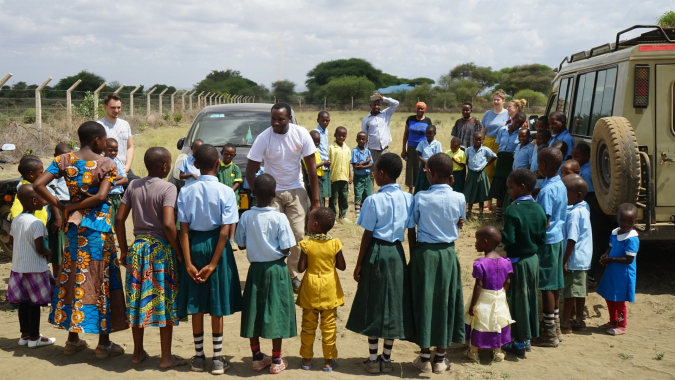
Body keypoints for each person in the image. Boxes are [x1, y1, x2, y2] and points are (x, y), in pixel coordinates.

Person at [34, 121, 127, 358]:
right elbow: (102, 196)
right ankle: (103, 345)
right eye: (105, 139)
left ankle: (72, 341)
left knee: (75, 277)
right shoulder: (107, 163)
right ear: (97, 140)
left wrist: (63, 207)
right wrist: (71, 206)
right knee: (100, 280)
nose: (106, 143)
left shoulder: (64, 160)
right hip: (98, 230)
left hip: (74, 230)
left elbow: (38, 184)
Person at [115, 147, 187, 369]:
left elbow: (119, 219)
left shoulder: (133, 185)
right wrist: (177, 250)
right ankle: (166, 357)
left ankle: (137, 353)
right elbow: (168, 223)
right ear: (165, 167)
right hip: (160, 252)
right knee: (164, 302)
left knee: (137, 301)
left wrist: (124, 250)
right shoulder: (168, 188)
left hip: (138, 249)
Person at [177, 144, 242, 374]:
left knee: (196, 302)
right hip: (218, 247)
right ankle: (217, 359)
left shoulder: (185, 191)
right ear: (218, 164)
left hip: (194, 246)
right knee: (216, 304)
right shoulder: (226, 192)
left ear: (195, 165)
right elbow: (225, 232)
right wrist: (214, 264)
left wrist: (188, 263)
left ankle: (197, 358)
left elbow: (183, 230)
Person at [346, 153, 414, 374]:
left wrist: (358, 264)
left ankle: (373, 360)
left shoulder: (373, 200)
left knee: (374, 303)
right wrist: (410, 260)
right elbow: (411, 232)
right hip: (397, 253)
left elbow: (367, 234)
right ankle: (387, 359)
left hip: (376, 252)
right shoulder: (408, 198)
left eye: (375, 171)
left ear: (381, 174)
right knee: (394, 304)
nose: (374, 175)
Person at [246, 102, 319, 292]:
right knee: (272, 235)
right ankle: (275, 274)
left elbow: (312, 170)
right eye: (273, 119)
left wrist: (316, 202)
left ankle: (292, 274)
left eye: (280, 119)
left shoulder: (301, 134)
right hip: (273, 194)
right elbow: (249, 172)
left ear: (290, 119)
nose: (276, 123)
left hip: (296, 190)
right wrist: (260, 196)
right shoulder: (264, 138)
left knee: (297, 235)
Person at [408, 153, 465, 374]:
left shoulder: (420, 197)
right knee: (446, 302)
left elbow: (411, 228)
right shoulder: (459, 197)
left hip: (424, 254)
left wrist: (414, 255)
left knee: (424, 301)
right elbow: (459, 223)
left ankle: (424, 358)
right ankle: (440, 359)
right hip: (448, 254)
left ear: (431, 173)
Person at [235, 174, 297, 374]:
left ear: (252, 193)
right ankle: (277, 360)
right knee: (276, 312)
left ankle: (257, 358)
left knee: (254, 311)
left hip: (256, 270)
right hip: (277, 269)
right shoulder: (279, 217)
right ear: (274, 194)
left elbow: (241, 244)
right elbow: (287, 247)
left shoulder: (245, 216)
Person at [500, 169, 547, 358]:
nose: (509, 192)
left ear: (522, 187)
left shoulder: (513, 210)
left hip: (517, 263)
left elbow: (509, 240)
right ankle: (527, 339)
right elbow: (542, 238)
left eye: (510, 188)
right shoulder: (539, 209)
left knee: (517, 301)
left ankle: (518, 343)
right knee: (529, 299)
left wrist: (498, 235)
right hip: (533, 261)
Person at [7, 184, 56, 348]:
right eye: (43, 196)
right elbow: (40, 248)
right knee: (34, 304)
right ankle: (35, 338)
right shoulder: (36, 223)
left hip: (18, 268)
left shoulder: (16, 220)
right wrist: (49, 252)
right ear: (35, 201)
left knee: (23, 303)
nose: (45, 199)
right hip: (35, 269)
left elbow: (12, 241)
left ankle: (25, 335)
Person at [296, 207, 346, 372]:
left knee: (308, 325)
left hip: (310, 288)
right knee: (329, 326)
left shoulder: (307, 244)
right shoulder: (334, 243)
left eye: (309, 220)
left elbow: (301, 268)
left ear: (315, 225)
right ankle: (328, 361)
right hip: (329, 288)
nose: (307, 222)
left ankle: (306, 360)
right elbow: (342, 266)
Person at [533, 147, 567, 347]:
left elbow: (543, 222)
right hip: (558, 239)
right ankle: (555, 325)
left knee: (545, 285)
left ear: (543, 165)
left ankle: (548, 334)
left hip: (546, 241)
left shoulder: (546, 190)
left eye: (538, 163)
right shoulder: (560, 184)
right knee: (554, 284)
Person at [465, 226, 513, 363]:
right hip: (499, 297)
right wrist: (501, 294)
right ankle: (498, 352)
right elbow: (508, 281)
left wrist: (473, 304)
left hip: (484, 299)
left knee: (479, 323)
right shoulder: (506, 262)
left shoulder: (480, 264)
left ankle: (474, 352)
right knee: (497, 322)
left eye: (476, 240)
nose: (475, 243)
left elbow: (479, 285)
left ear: (484, 243)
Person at [596, 203, 640, 336]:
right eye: (623, 221)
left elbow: (629, 260)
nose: (626, 224)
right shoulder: (615, 232)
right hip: (613, 272)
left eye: (630, 222)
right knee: (610, 297)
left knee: (619, 300)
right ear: (617, 219)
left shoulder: (632, 238)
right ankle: (613, 321)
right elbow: (610, 247)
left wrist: (610, 259)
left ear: (635, 221)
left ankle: (622, 324)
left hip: (623, 274)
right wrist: (606, 254)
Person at [560, 175, 592, 334]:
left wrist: (564, 261)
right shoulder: (585, 206)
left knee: (570, 293)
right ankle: (579, 319)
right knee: (580, 292)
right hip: (583, 259)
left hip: (573, 259)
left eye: (565, 194)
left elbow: (572, 240)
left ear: (577, 195)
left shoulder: (574, 214)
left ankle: (565, 323)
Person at [489, 112, 525, 221]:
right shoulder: (502, 130)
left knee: (509, 187)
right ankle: (498, 215)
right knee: (499, 187)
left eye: (521, 123)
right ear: (512, 119)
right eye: (517, 121)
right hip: (501, 160)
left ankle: (507, 214)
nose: (518, 124)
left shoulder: (521, 133)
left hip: (511, 160)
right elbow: (499, 144)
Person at [98, 93, 138, 181]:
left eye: (119, 107)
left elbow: (130, 147)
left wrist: (127, 167)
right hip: (106, 171)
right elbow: (97, 152)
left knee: (138, 185)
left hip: (124, 169)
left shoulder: (125, 124)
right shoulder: (99, 126)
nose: (116, 110)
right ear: (105, 107)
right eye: (113, 107)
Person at [47, 143, 71, 275]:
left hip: (71, 206)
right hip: (59, 207)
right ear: (55, 156)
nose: (66, 158)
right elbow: (52, 194)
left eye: (69, 155)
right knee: (57, 245)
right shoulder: (55, 170)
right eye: (62, 155)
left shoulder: (72, 168)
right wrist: (57, 217)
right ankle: (57, 276)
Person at [463, 132, 497, 218]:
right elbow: (466, 159)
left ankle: (481, 212)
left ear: (483, 140)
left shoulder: (485, 150)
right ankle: (469, 211)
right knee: (470, 192)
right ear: (472, 139)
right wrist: (469, 166)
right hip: (471, 173)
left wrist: (487, 164)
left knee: (481, 192)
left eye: (480, 139)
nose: (478, 141)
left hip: (481, 173)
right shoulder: (469, 150)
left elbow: (494, 156)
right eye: (476, 139)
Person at [401, 102, 432, 192]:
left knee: (421, 167)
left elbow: (430, 134)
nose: (420, 110)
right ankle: (410, 188)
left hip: (423, 147)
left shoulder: (427, 120)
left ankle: (420, 187)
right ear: (415, 109)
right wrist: (404, 149)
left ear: (425, 110)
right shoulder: (410, 119)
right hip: (411, 146)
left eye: (422, 108)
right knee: (410, 167)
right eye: (418, 108)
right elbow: (405, 134)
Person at [217, 143, 243, 249]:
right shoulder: (217, 167)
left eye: (231, 155)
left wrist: (230, 191)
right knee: (220, 216)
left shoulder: (235, 168)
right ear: (222, 153)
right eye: (226, 154)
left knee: (233, 218)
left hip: (232, 197)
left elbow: (237, 182)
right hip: (219, 197)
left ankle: (232, 240)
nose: (228, 156)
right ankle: (221, 238)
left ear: (234, 156)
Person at [481, 90, 510, 185]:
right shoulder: (487, 113)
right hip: (488, 143)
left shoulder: (508, 113)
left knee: (499, 170)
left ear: (503, 101)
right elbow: (483, 129)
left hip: (501, 144)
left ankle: (498, 196)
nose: (496, 102)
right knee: (488, 169)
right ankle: (488, 197)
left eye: (498, 100)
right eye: (494, 100)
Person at [361, 93, 399, 163]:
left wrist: (382, 98)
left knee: (386, 171)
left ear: (380, 106)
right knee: (374, 172)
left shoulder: (386, 114)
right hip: (373, 151)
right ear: (370, 106)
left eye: (378, 105)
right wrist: (363, 152)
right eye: (374, 105)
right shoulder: (365, 120)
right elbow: (364, 137)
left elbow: (396, 103)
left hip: (385, 150)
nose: (376, 107)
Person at [328, 126, 352, 221]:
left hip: (344, 177)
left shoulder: (347, 149)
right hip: (334, 177)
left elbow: (348, 163)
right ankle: (332, 216)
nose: (341, 137)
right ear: (335, 135)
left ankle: (343, 216)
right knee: (333, 198)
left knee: (344, 197)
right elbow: (328, 164)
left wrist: (350, 176)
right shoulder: (331, 148)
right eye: (339, 135)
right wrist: (329, 176)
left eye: (344, 135)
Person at [104, 138, 128, 230]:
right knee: (109, 221)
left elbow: (125, 179)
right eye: (110, 150)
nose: (113, 153)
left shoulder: (117, 163)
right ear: (104, 149)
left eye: (116, 150)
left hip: (117, 197)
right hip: (107, 197)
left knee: (118, 220)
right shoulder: (102, 162)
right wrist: (116, 177)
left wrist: (112, 183)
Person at [414, 125, 442, 194]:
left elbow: (438, 156)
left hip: (433, 166)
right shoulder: (422, 143)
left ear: (435, 133)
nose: (428, 135)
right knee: (422, 181)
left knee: (431, 181)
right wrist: (426, 162)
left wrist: (430, 163)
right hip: (424, 165)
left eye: (430, 133)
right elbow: (418, 156)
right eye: (427, 133)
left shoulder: (437, 144)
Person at [351, 131, 373, 218]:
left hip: (366, 177)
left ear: (366, 141)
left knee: (367, 194)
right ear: (356, 140)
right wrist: (366, 162)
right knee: (358, 194)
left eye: (363, 139)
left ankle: (363, 213)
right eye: (359, 139)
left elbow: (371, 164)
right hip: (358, 177)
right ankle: (357, 214)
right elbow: (356, 166)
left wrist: (362, 164)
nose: (361, 141)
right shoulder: (354, 151)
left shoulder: (368, 151)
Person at [314, 111, 332, 206]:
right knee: (320, 192)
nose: (325, 122)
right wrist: (323, 162)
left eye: (327, 120)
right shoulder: (315, 133)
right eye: (323, 120)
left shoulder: (326, 131)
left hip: (326, 166)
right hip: (320, 166)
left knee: (325, 193)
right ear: (318, 120)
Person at [531, 129, 552, 196]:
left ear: (548, 139)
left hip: (540, 184)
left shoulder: (547, 150)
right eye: (536, 138)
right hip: (534, 180)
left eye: (540, 138)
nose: (537, 141)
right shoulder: (536, 147)